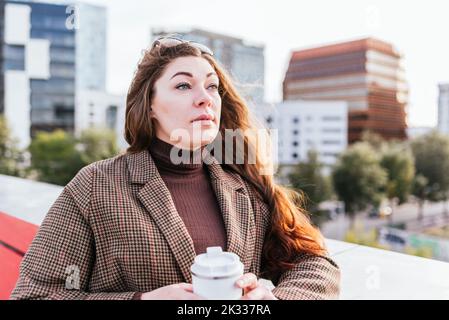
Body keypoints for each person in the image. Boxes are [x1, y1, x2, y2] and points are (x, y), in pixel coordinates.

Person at [10, 36, 340, 300]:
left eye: (212, 86)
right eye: (184, 85)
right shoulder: (96, 185)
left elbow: (316, 263)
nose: (205, 98)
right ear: (149, 105)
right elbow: (34, 294)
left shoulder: (245, 185)